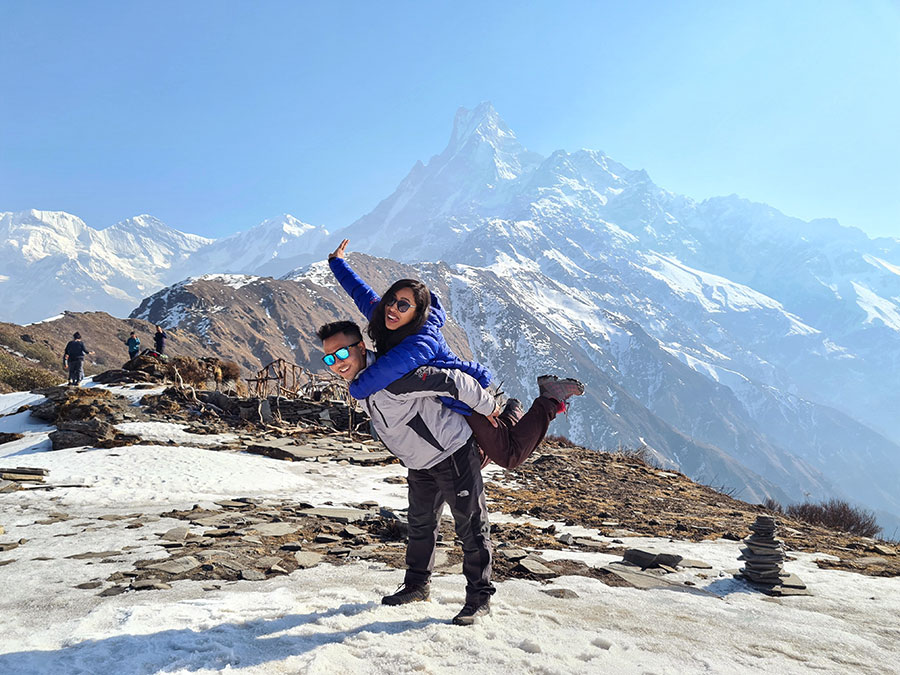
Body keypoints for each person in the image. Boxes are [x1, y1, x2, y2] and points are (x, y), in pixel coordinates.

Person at [328, 238, 584, 469]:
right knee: (479, 453)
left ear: (416, 312)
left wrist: (355, 388)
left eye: (403, 305)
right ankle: (513, 412)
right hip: (438, 402)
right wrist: (337, 263)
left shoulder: (421, 341)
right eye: (391, 302)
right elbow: (362, 295)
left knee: (507, 456)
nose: (393, 308)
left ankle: (549, 400)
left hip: (461, 399)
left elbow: (386, 371)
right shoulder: (390, 318)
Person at [317, 320, 498, 625]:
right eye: (329, 358)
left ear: (361, 347)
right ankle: (417, 586)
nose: (337, 363)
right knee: (420, 526)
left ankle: (479, 598)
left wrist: (488, 405)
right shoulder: (362, 383)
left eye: (341, 353)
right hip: (419, 463)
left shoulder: (395, 375)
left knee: (471, 527)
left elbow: (451, 381)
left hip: (452, 452)